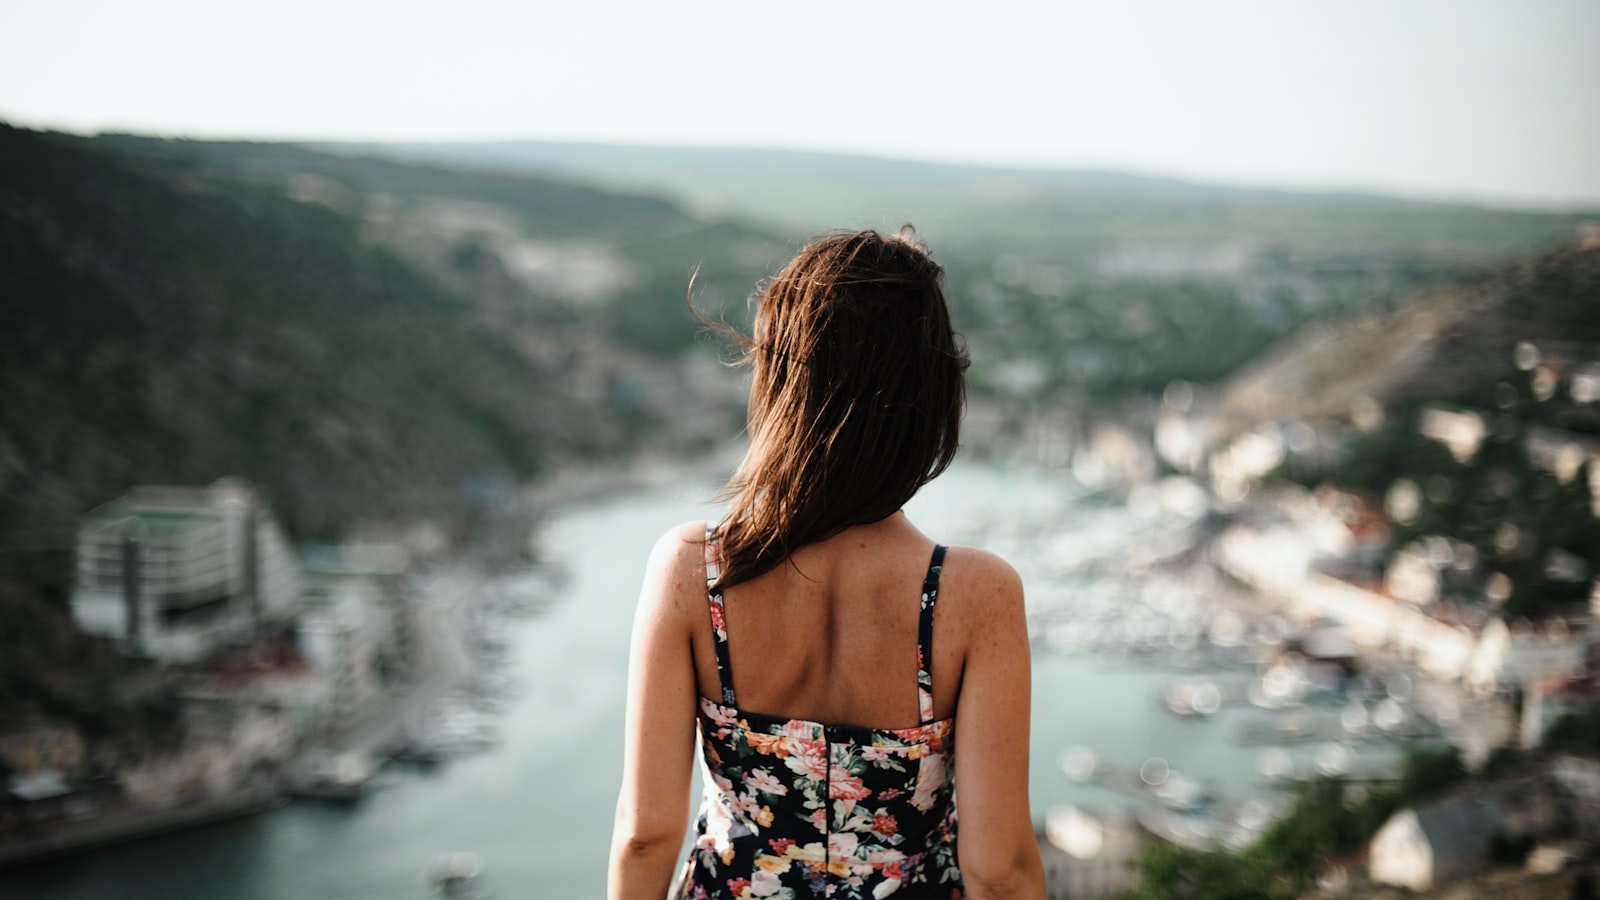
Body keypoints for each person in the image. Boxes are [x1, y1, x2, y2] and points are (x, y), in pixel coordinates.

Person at [608, 228, 1044, 899]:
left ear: (782, 387)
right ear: (927, 398)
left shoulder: (695, 572)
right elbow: (1000, 869)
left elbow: (646, 834)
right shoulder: (974, 595)